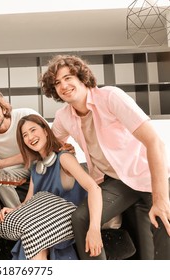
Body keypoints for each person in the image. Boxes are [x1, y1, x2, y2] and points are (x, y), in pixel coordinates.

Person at [41, 54, 170, 260]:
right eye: (57, 83)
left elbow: (154, 142)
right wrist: (63, 150)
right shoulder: (63, 116)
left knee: (162, 224)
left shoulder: (110, 97)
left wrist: (161, 199)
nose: (63, 85)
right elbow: (48, 144)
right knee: (81, 218)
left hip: (146, 174)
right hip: (117, 181)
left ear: (82, 77)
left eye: (68, 77)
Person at [0, 114, 103, 260]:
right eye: (25, 135)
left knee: (34, 237)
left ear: (46, 130)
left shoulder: (64, 158)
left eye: (33, 130)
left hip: (67, 220)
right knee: (30, 237)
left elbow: (94, 188)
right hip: (41, 224)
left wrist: (94, 229)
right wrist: (13, 210)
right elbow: (28, 201)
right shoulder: (36, 167)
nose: (30, 137)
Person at [0, 90, 44, 208]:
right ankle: (16, 213)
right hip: (18, 170)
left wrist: (1, 163)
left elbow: (45, 145)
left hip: (40, 162)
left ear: (3, 109)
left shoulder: (25, 115)